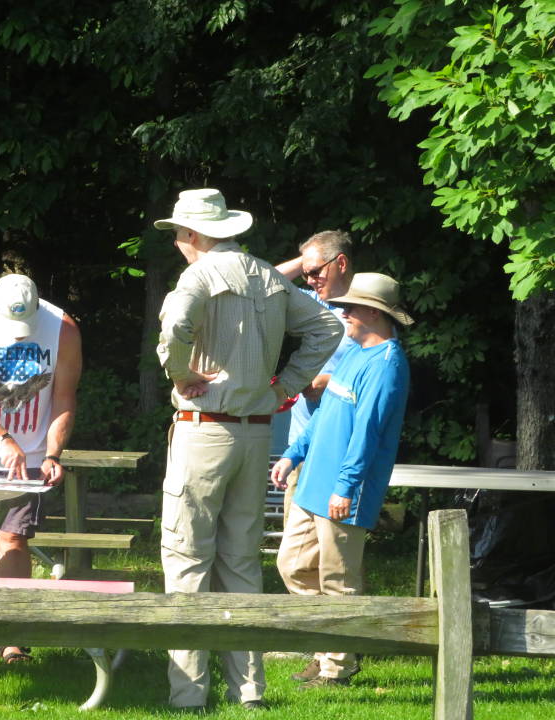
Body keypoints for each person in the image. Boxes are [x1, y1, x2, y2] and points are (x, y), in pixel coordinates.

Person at [154, 188, 343, 711]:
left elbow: (173, 330)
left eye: (177, 232)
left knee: (187, 557)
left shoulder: (198, 276)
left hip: (203, 428)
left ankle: (188, 694)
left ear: (193, 234)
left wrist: (182, 372)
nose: (175, 242)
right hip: (255, 430)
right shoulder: (267, 275)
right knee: (240, 561)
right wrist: (285, 386)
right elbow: (327, 325)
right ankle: (249, 691)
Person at [270, 272, 413, 690]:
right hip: (312, 480)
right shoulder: (352, 353)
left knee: (338, 580)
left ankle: (338, 666)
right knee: (292, 566)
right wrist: (293, 454)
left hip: (344, 491)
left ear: (373, 312)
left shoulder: (388, 365)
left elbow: (367, 432)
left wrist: (345, 487)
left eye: (350, 307)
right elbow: (327, 415)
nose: (342, 312)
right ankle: (327, 646)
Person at [0, 273, 82, 664]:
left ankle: (14, 635)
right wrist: (2, 438)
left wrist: (53, 453)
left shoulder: (63, 329)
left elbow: (63, 397)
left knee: (13, 539)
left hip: (34, 455)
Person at [274, 231, 357, 524]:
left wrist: (329, 382)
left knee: (333, 553)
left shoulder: (369, 312)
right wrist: (309, 259)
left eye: (314, 272)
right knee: (294, 558)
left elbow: (379, 377)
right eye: (305, 273)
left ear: (341, 263)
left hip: (342, 451)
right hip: (300, 448)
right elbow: (265, 284)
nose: (308, 280)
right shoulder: (311, 303)